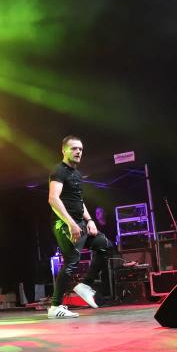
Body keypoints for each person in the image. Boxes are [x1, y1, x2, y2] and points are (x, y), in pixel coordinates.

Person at [47, 136, 116, 318]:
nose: (78, 152)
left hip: (80, 222)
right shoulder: (59, 171)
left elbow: (79, 201)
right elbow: (53, 199)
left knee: (105, 246)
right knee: (71, 261)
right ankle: (55, 307)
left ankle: (85, 285)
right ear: (64, 150)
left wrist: (90, 220)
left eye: (80, 149)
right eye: (74, 148)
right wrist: (70, 223)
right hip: (64, 223)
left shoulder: (77, 174)